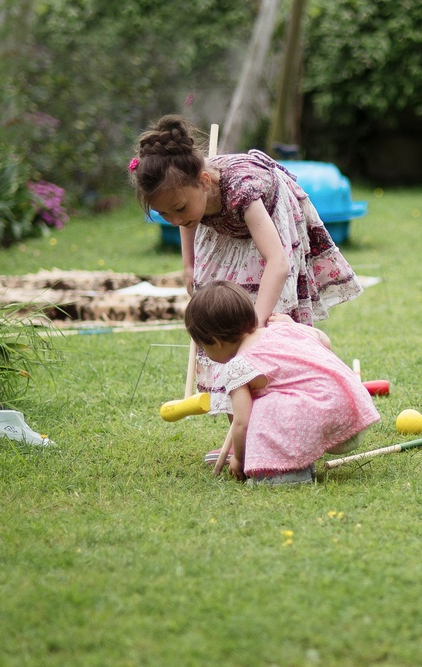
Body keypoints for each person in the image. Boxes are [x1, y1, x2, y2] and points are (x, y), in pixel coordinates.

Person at [129, 114, 363, 413]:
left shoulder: (242, 188)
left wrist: (255, 325)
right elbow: (187, 220)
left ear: (203, 182)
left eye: (178, 209)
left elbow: (277, 262)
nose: (173, 220)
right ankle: (241, 427)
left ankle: (280, 415)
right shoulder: (187, 198)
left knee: (266, 319)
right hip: (223, 223)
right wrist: (189, 265)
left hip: (270, 219)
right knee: (219, 312)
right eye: (164, 214)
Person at [184, 281, 380, 484]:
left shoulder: (238, 366)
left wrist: (239, 458)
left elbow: (241, 423)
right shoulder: (282, 328)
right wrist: (294, 326)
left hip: (325, 416)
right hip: (353, 409)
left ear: (215, 341)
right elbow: (325, 342)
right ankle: (301, 462)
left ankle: (284, 474)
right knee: (284, 394)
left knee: (262, 407)